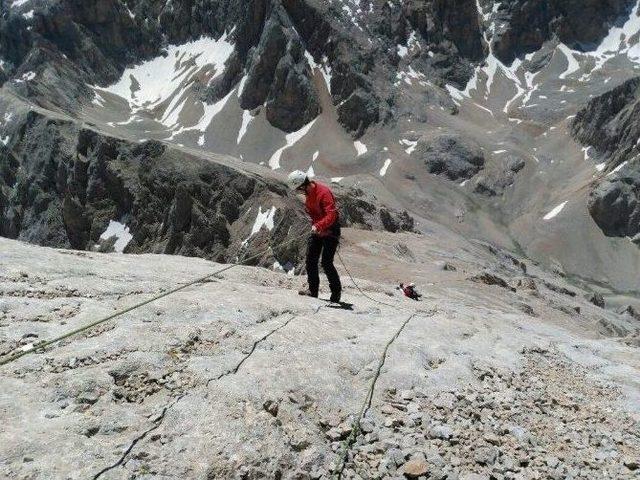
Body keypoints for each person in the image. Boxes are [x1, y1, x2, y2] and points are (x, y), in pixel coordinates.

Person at [287, 170, 342, 303]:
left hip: (331, 231)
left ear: (303, 185)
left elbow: (331, 215)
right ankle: (313, 291)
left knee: (326, 262)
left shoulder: (324, 192)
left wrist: (319, 226)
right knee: (311, 260)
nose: (300, 192)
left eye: (299, 189)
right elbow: (314, 214)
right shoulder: (309, 194)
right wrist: (316, 226)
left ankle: (336, 292)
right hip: (318, 230)